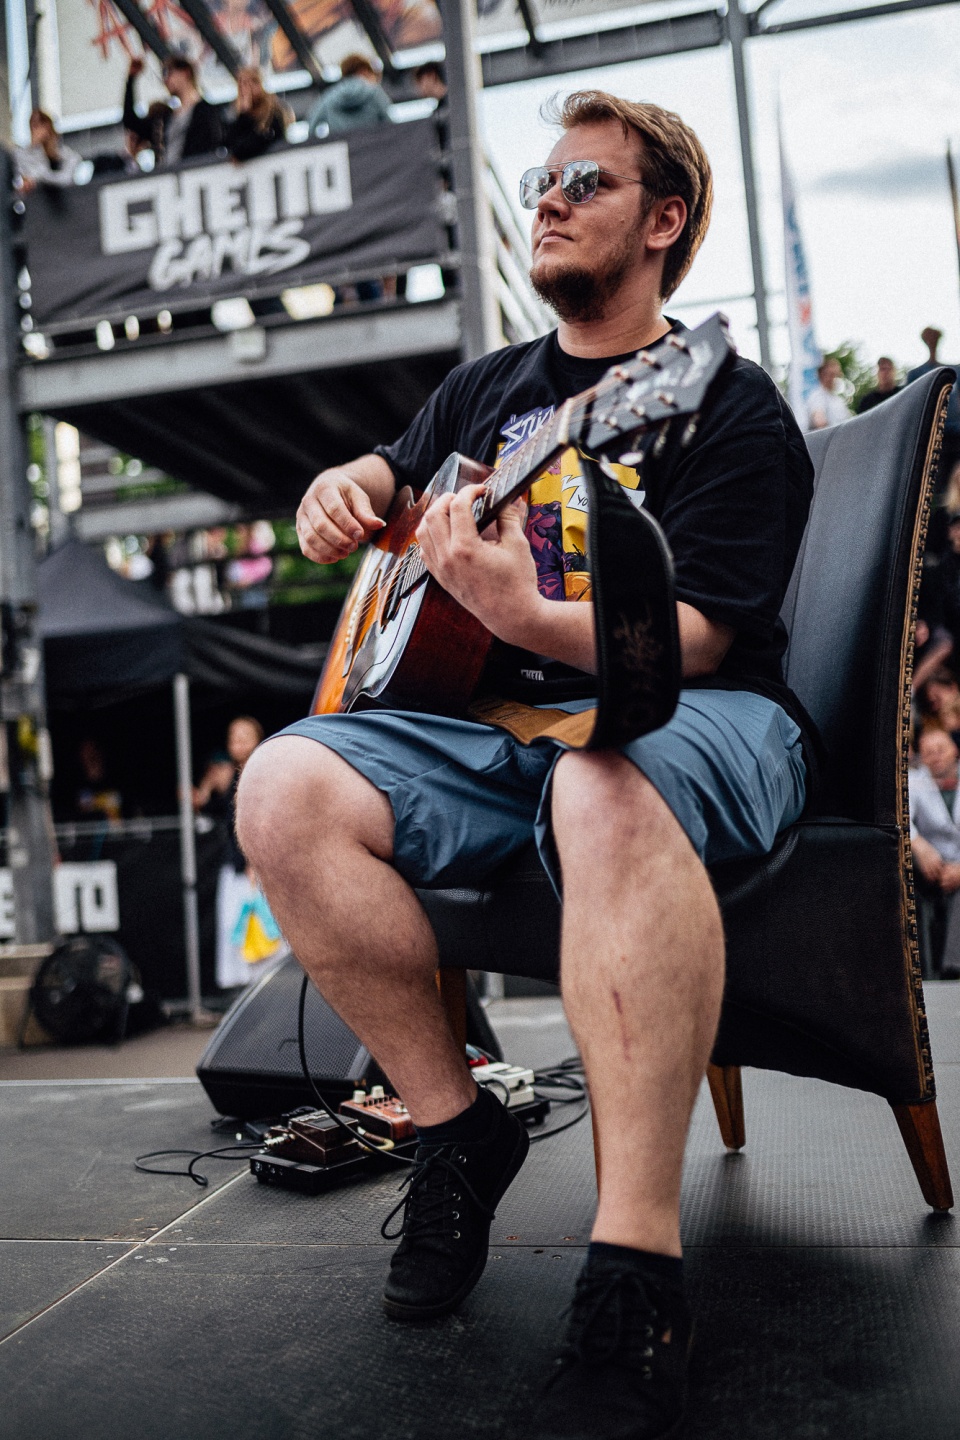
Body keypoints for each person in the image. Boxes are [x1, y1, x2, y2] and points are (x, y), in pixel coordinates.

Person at [236, 89, 814, 1440]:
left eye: (586, 182)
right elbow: (385, 484)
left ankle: (635, 1273)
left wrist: (525, 612)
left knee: (601, 774)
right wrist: (342, 491)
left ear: (664, 222)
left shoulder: (718, 404)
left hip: (697, 711)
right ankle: (457, 1130)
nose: (548, 198)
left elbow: (693, 639)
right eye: (542, 181)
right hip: (492, 729)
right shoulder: (489, 388)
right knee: (281, 788)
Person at [194, 716, 286, 989]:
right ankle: (247, 987)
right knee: (238, 926)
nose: (238, 743)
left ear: (257, 739)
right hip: (237, 865)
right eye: (234, 737)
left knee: (265, 924)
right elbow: (210, 809)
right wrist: (208, 786)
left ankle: (270, 985)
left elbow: (263, 821)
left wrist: (254, 860)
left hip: (258, 865)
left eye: (245, 736)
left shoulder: (264, 774)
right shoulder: (230, 777)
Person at [910, 726, 960, 979]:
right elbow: (901, 817)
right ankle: (923, 973)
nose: (936, 756)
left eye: (941, 749)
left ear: (955, 750)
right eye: (928, 752)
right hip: (929, 867)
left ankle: (952, 969)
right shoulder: (914, 780)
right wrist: (919, 845)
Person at [123, 56, 223, 166]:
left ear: (185, 72)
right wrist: (131, 78)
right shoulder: (165, 118)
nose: (165, 80)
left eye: (168, 73)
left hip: (194, 171)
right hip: (169, 173)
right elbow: (131, 122)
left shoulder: (206, 111)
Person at [908, 326, 960, 476]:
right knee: (936, 475)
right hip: (933, 433)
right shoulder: (916, 374)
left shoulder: (954, 370)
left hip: (956, 431)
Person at [306, 53, 392, 138]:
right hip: (373, 143)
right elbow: (389, 123)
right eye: (372, 76)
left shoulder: (328, 97)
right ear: (364, 71)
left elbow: (312, 125)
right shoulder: (375, 92)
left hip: (341, 145)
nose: (376, 81)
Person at [224, 67, 290, 161]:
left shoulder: (273, 111)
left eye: (252, 83)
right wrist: (244, 114)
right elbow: (230, 143)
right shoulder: (235, 114)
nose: (247, 90)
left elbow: (264, 139)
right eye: (243, 85)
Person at [13, 110, 79, 192]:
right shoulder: (24, 154)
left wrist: (39, 175)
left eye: (41, 124)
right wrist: (35, 147)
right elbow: (24, 177)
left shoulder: (68, 155)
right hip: (39, 198)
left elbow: (65, 179)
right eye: (34, 126)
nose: (37, 131)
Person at [803, 356, 850, 431]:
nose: (834, 378)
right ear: (822, 375)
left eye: (837, 375)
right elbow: (819, 422)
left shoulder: (837, 400)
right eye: (831, 375)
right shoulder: (817, 396)